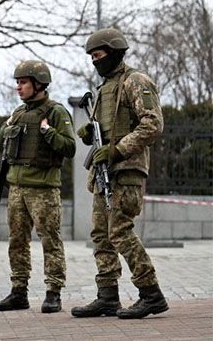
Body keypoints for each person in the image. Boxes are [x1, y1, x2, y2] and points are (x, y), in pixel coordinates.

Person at [71, 28, 168, 319]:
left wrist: (117, 150)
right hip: (105, 173)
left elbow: (152, 124)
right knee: (101, 235)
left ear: (113, 53)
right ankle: (107, 296)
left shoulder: (135, 81)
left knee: (120, 232)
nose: (94, 62)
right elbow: (106, 131)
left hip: (126, 171)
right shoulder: (104, 88)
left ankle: (151, 293)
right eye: (91, 57)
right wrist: (91, 133)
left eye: (98, 56)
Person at [0, 60, 75, 313]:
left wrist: (49, 133)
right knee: (17, 240)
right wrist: (5, 128)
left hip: (43, 189)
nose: (19, 87)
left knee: (50, 240)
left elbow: (70, 148)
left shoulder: (56, 112)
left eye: (23, 82)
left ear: (39, 84)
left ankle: (54, 292)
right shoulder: (17, 113)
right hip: (17, 188)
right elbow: (1, 147)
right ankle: (19, 291)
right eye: (17, 82)